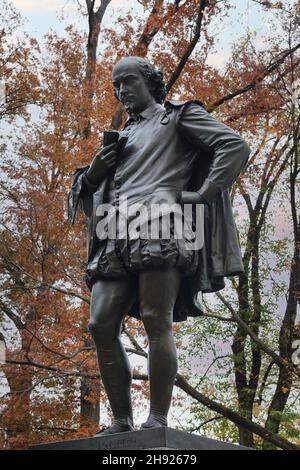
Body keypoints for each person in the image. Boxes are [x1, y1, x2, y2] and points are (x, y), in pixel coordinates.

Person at [67, 56, 250, 435]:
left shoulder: (177, 117)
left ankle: (158, 419)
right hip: (115, 230)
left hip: (160, 226)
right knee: (100, 324)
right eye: (116, 86)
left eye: (128, 82)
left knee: (155, 319)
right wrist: (95, 171)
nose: (121, 92)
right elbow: (85, 193)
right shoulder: (122, 136)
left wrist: (202, 194)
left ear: (150, 82)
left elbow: (232, 146)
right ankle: (120, 419)